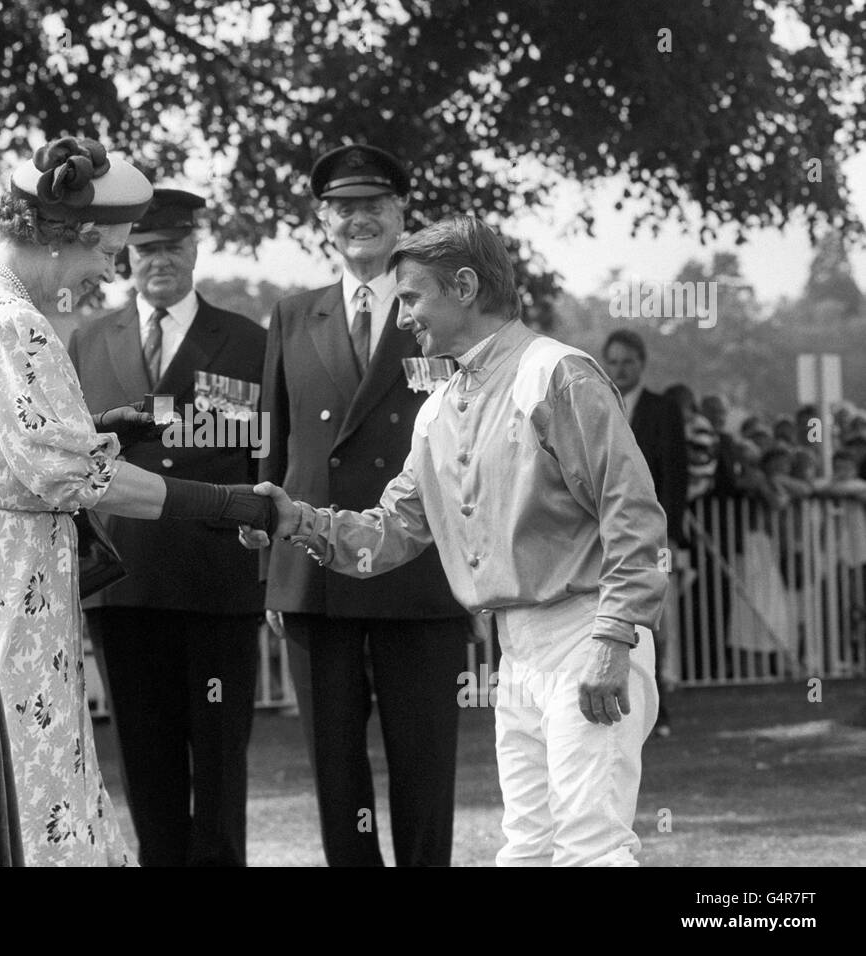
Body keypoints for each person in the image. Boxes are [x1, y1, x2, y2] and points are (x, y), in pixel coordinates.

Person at [0, 137, 277, 866]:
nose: (111, 270)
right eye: (112, 250)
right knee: (29, 774)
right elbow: (75, 481)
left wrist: (90, 429)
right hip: (1, 578)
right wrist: (226, 503)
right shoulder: (16, 324)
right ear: (75, 238)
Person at [245, 215, 668, 866]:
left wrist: (613, 640)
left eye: (412, 297)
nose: (402, 315)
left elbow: (633, 514)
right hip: (518, 650)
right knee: (527, 849)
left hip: (588, 633)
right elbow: (392, 533)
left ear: (464, 286)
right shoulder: (438, 408)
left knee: (591, 848)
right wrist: (297, 520)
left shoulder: (557, 374)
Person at [259, 145, 470, 866]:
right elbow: (274, 448)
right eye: (344, 209)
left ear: (401, 213)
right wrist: (270, 564)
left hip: (419, 568)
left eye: (374, 206)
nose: (360, 220)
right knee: (335, 770)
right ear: (322, 221)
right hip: (317, 573)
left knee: (423, 763)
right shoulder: (292, 315)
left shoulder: (442, 305)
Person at [68, 188, 267, 866]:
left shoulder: (248, 341)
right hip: (126, 580)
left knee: (217, 766)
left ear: (195, 248)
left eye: (174, 247)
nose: (160, 260)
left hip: (217, 577)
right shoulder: (89, 337)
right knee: (145, 767)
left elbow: (263, 460)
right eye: (147, 248)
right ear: (127, 254)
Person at [601, 330, 685, 736]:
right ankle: (618, 709)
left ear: (642, 363)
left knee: (654, 623)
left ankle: (658, 710)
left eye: (627, 361)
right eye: (613, 362)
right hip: (604, 537)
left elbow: (675, 476)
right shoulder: (597, 404)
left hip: (653, 536)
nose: (620, 369)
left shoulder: (663, 409)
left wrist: (671, 537)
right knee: (611, 621)